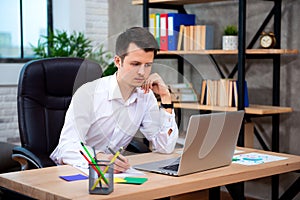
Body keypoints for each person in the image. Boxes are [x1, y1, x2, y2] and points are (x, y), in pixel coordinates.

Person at [50, 27, 178, 173]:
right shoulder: (88, 94)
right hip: (73, 170)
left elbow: (165, 148)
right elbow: (67, 147)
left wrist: (166, 97)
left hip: (112, 176)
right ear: (118, 61)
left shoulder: (145, 96)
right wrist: (99, 158)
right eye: (135, 64)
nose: (142, 72)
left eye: (147, 65)